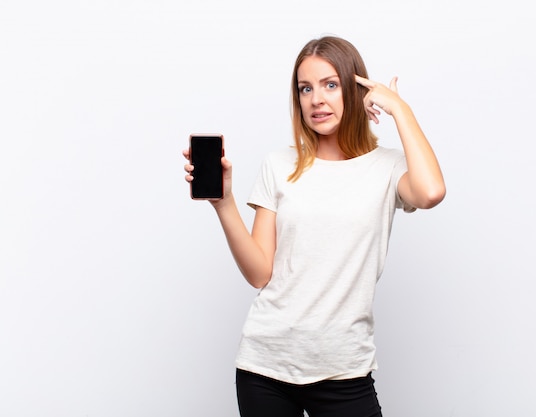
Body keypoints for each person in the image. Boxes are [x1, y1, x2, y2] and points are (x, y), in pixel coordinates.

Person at [183, 35, 445, 417]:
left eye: (330, 85)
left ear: (358, 90)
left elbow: (431, 192)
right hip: (266, 366)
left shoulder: (387, 167)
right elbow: (259, 273)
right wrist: (224, 202)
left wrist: (400, 110)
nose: (315, 99)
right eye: (305, 88)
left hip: (344, 371)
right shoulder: (279, 165)